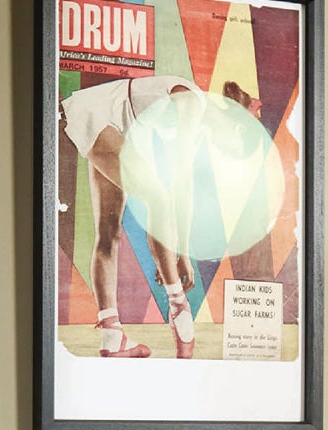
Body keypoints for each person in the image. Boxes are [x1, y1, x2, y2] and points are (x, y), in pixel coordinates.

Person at [60, 76, 260, 360]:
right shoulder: (193, 103)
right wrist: (180, 257)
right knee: (156, 197)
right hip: (100, 115)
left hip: (107, 121)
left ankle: (112, 336)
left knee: (109, 233)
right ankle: (179, 305)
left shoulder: (195, 122)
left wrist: (181, 255)